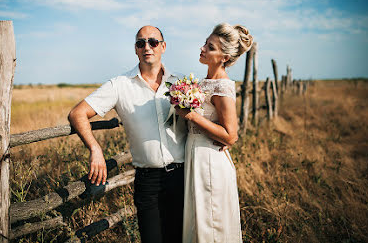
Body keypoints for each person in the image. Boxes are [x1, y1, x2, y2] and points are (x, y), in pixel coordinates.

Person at [68, 26, 187, 243]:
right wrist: (95, 149)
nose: (147, 47)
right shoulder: (119, 85)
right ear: (135, 49)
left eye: (152, 42)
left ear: (163, 46)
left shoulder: (181, 82)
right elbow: (77, 113)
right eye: (141, 43)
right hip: (147, 181)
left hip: (183, 176)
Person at [175, 23, 253, 243]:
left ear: (224, 57)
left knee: (210, 222)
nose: (202, 48)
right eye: (205, 43)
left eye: (210, 47)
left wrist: (191, 115)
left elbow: (231, 136)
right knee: (198, 220)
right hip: (194, 155)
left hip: (209, 159)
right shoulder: (202, 83)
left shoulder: (222, 87)